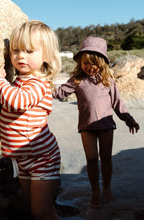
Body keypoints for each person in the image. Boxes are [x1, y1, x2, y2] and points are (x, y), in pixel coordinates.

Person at [52, 36, 140, 208]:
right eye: (85, 63)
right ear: (80, 63)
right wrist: (37, 94)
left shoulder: (108, 80)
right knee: (91, 159)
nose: (89, 67)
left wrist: (128, 119)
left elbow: (117, 103)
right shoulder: (77, 80)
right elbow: (59, 93)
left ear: (102, 63)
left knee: (106, 158)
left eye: (94, 64)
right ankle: (95, 191)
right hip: (87, 127)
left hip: (106, 126)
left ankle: (106, 188)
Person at [0, 20, 61, 220]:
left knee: (41, 211)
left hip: (43, 158)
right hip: (22, 158)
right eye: (16, 50)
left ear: (46, 55)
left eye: (30, 51)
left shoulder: (39, 83)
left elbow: (18, 101)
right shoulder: (20, 80)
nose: (21, 56)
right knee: (36, 207)